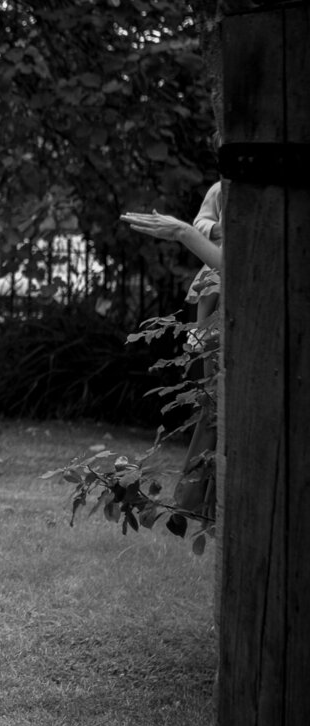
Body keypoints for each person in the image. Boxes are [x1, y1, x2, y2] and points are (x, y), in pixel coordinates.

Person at [123, 184, 223, 534]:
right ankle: (193, 505)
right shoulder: (221, 189)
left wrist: (184, 232)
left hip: (229, 297)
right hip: (216, 300)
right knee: (213, 412)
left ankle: (197, 505)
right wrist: (209, 230)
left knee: (217, 415)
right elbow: (205, 225)